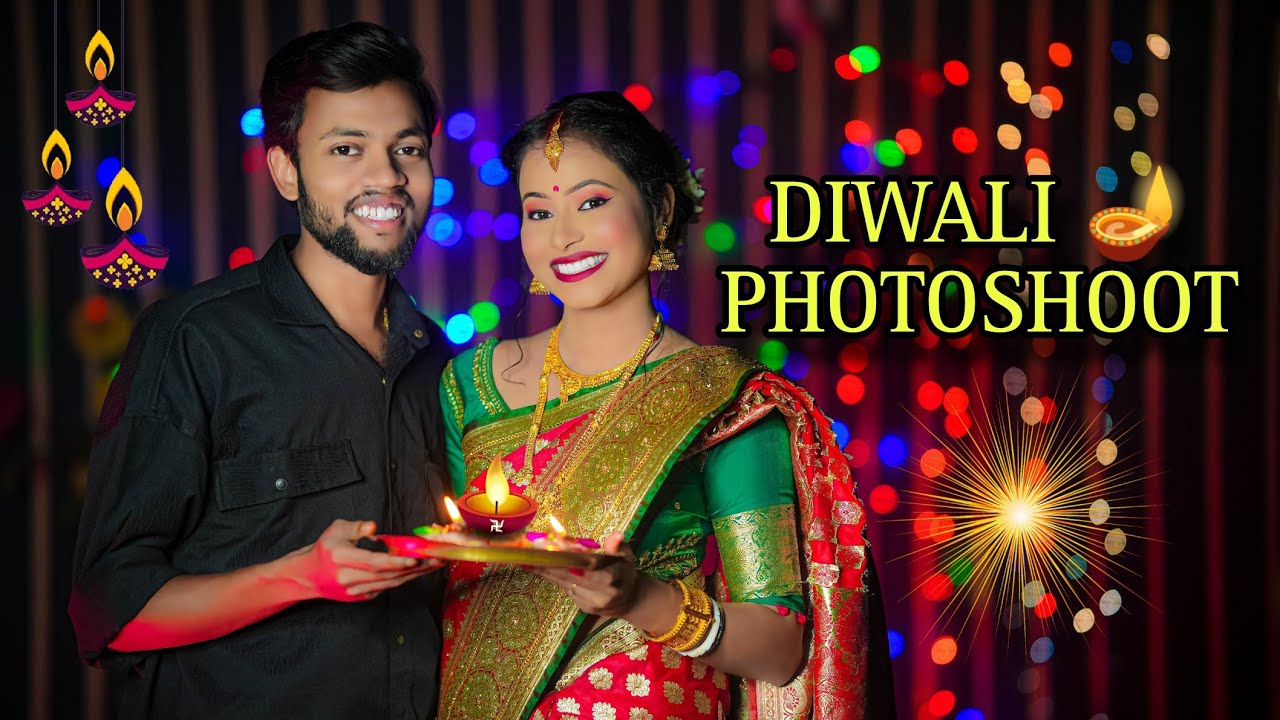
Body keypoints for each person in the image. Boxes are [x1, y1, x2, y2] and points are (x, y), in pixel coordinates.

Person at [435, 92, 894, 720]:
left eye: (592, 202)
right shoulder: (468, 382)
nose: (563, 236)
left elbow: (781, 649)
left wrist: (639, 598)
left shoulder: (727, 401)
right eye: (538, 212)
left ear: (660, 207)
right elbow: (461, 573)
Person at [69, 22, 453, 718]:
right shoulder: (196, 339)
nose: (388, 177)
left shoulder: (440, 362)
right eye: (346, 149)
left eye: (408, 149)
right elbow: (107, 611)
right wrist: (298, 576)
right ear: (285, 169)